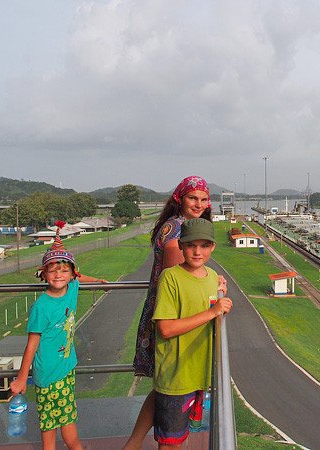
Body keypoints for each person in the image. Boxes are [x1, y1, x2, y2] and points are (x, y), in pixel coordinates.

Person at [126, 176, 226, 449]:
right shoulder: (177, 234)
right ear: (179, 198)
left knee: (162, 389)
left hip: (164, 311)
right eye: (193, 198)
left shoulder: (177, 226)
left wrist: (213, 281)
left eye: (204, 199)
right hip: (171, 315)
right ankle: (135, 443)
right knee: (168, 387)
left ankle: (133, 444)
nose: (199, 204)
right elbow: (180, 278)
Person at [10, 221, 107, 450]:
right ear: (43, 274)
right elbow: (31, 346)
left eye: (64, 270)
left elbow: (79, 278)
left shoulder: (71, 287)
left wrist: (99, 282)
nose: (59, 275)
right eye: (52, 270)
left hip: (66, 368)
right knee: (55, 428)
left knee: (60, 421)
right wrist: (23, 378)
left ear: (72, 273)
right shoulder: (41, 307)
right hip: (49, 375)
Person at [153, 218, 232, 448]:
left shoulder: (212, 277)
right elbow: (166, 329)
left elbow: (207, 304)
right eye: (190, 245)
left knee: (182, 438)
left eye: (204, 245)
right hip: (175, 377)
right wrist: (213, 312)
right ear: (180, 246)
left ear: (213, 247)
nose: (197, 251)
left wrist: (220, 306)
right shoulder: (170, 277)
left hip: (198, 375)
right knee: (170, 443)